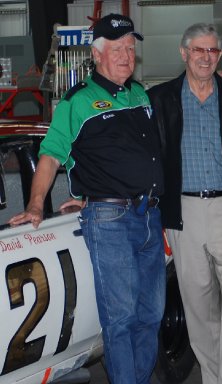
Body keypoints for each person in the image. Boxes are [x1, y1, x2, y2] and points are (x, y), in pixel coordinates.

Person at [9, 14, 165, 384]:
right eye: (118, 49)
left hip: (149, 218)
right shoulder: (76, 102)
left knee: (151, 315)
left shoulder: (140, 94)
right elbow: (50, 156)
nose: (127, 55)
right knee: (122, 318)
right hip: (110, 220)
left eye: (131, 48)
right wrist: (35, 204)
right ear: (97, 55)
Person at [147, 23, 222, 384]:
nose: (205, 57)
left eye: (212, 51)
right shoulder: (161, 100)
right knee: (198, 310)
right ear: (184, 53)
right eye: (198, 50)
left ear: (220, 56)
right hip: (183, 215)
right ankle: (215, 377)